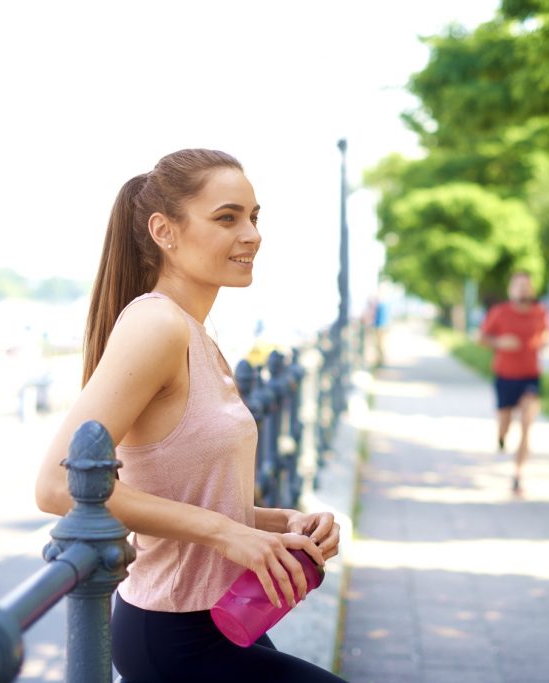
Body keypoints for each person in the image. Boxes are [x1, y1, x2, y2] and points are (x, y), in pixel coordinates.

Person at [34, 149, 345, 682]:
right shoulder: (156, 326)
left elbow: (186, 491)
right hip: (175, 636)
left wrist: (280, 522)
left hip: (224, 618)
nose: (251, 234)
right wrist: (226, 534)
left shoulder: (196, 332)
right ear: (164, 231)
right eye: (227, 217)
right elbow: (56, 486)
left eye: (254, 217)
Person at [479, 272, 549, 494]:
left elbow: (546, 333)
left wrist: (543, 341)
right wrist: (500, 342)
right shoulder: (499, 312)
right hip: (505, 375)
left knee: (527, 422)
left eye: (526, 286)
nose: (522, 290)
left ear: (531, 290)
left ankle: (518, 476)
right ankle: (501, 435)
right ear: (511, 290)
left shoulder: (540, 312)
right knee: (505, 421)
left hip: (530, 375)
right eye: (518, 286)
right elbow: (481, 338)